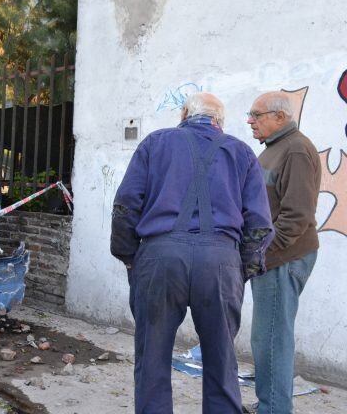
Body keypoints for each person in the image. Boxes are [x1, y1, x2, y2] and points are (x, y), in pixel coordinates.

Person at [111, 92, 273, 414]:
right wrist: (240, 271)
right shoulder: (242, 152)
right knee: (222, 363)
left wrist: (129, 256)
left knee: (152, 359)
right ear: (220, 122)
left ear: (184, 113)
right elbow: (259, 226)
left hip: (160, 257)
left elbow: (125, 205)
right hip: (221, 261)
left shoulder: (155, 143)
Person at [246, 92, 320, 414]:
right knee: (265, 340)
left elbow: (296, 217)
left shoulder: (297, 150)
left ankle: (274, 410)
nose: (250, 120)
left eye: (256, 114)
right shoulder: (273, 151)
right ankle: (270, 404)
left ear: (280, 117)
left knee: (272, 340)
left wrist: (261, 251)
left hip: (282, 259)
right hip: (270, 259)